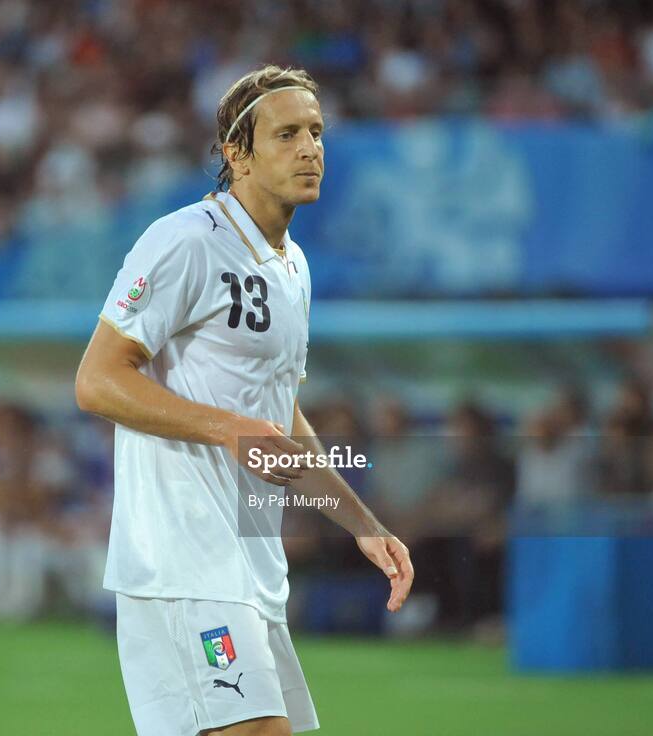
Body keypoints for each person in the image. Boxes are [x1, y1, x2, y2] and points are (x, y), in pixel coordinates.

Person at [75, 65, 413, 736]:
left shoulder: (293, 267)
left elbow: (281, 417)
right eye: (285, 134)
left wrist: (360, 523)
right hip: (181, 558)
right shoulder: (185, 241)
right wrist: (229, 430)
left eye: (316, 132)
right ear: (236, 152)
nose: (309, 148)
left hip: (248, 562)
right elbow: (97, 380)